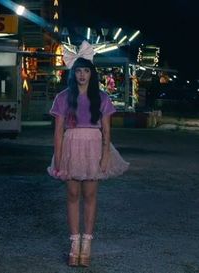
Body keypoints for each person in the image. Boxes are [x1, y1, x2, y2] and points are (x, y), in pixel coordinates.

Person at [47, 41, 129, 267]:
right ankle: (74, 244)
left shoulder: (102, 98)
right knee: (73, 195)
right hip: (71, 146)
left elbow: (107, 130)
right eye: (78, 71)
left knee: (90, 196)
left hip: (94, 147)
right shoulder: (63, 97)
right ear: (72, 74)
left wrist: (105, 156)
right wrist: (59, 157)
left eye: (86, 70)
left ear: (91, 73)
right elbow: (58, 132)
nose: (82, 75)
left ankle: (87, 245)